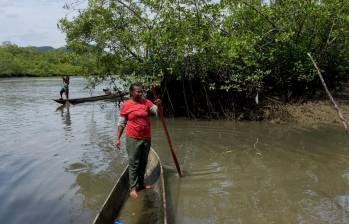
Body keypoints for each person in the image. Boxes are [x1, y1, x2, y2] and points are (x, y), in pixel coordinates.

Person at [115, 83, 160, 199]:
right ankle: (133, 188)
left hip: (146, 137)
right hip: (133, 138)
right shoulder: (126, 105)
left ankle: (141, 184)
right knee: (134, 164)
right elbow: (121, 123)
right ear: (131, 92)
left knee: (143, 162)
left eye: (141, 91)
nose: (140, 93)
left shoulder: (146, 102)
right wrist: (118, 139)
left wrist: (159, 105)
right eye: (138, 92)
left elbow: (156, 111)